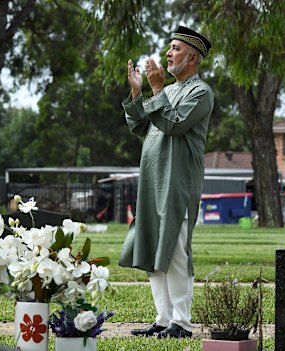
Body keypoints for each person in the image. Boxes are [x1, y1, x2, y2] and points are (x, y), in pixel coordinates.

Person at [119, 25, 214, 339]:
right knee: (152, 251)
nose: (168, 53)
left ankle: (182, 324)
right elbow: (142, 127)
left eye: (175, 48)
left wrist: (157, 90)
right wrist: (137, 92)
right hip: (152, 180)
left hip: (177, 182)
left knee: (174, 252)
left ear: (192, 57)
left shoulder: (201, 93)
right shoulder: (170, 90)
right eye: (170, 47)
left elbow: (174, 125)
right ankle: (163, 320)